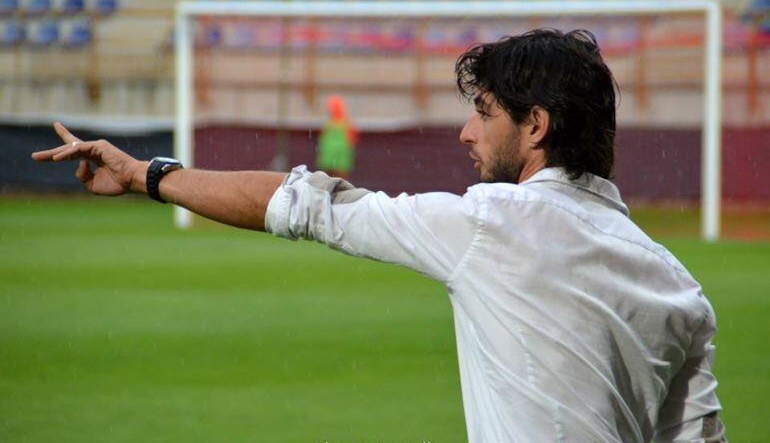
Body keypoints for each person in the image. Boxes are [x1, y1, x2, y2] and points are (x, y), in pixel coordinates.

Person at [32, 29, 726, 442]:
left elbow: (302, 204)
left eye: (484, 112)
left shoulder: (488, 224)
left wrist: (144, 174)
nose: (466, 131)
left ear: (536, 125)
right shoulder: (678, 285)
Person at [316, 95, 358, 180]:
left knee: (338, 176)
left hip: (339, 156)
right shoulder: (331, 123)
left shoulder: (344, 123)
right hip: (331, 156)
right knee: (331, 177)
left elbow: (352, 138)